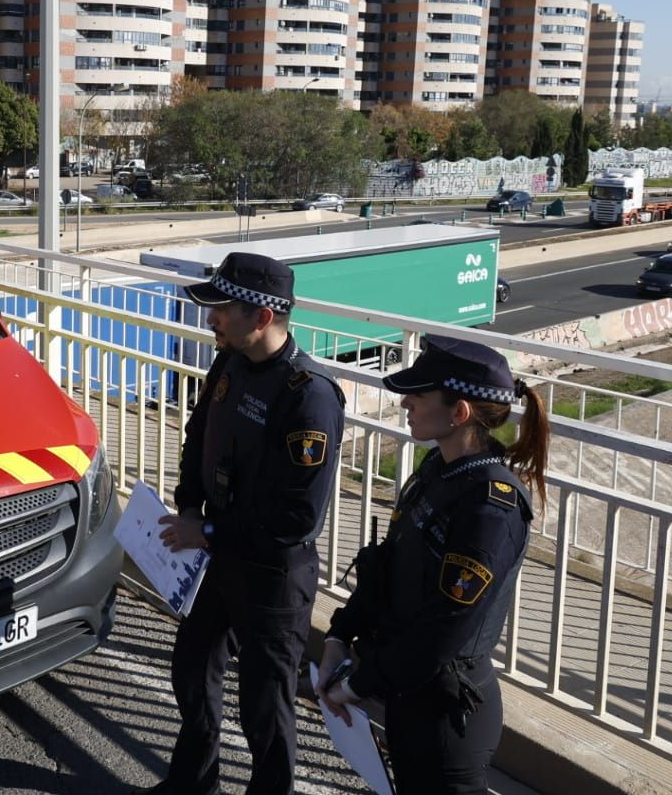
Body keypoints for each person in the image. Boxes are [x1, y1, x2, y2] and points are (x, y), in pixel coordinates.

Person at [145, 252, 346, 795]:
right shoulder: (228, 361)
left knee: (265, 704)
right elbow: (198, 435)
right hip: (221, 555)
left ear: (261, 318)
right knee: (192, 665)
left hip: (274, 573)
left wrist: (207, 532)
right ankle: (193, 782)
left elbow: (296, 516)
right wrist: (190, 507)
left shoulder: (309, 396)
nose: (211, 319)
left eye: (222, 309)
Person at [315, 335, 550, 795]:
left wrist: (357, 684)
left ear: (459, 412)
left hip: (446, 720)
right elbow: (383, 567)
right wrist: (339, 636)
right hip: (409, 695)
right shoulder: (437, 470)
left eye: (418, 395)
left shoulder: (490, 508)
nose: (406, 403)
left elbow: (443, 632)